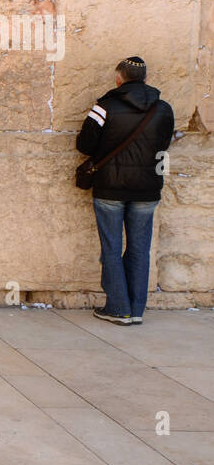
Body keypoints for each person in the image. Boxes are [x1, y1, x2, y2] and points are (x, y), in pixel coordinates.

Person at [75, 56, 175, 325]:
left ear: (119, 78)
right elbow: (164, 143)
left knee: (111, 247)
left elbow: (85, 144)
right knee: (140, 248)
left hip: (110, 186)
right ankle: (137, 308)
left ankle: (118, 308)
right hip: (147, 188)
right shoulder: (163, 109)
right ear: (144, 78)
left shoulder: (104, 107)